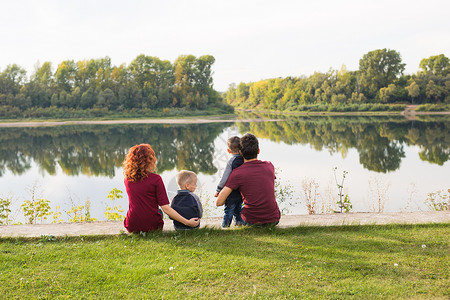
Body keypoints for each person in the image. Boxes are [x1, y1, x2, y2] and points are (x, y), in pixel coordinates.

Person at [123, 144, 199, 233]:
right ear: (149, 160)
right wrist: (187, 222)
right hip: (152, 226)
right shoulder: (156, 179)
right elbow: (166, 208)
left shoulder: (127, 179)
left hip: (132, 225)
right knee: (158, 211)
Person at [216, 133, 281, 226]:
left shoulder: (237, 173)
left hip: (252, 221)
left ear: (241, 153)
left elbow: (219, 202)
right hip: (274, 219)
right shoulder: (269, 166)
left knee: (240, 211)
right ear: (258, 151)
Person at [214, 136, 245, 227]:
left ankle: (225, 227)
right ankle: (239, 224)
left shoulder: (232, 161)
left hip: (230, 192)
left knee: (228, 211)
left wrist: (218, 189)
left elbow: (225, 177)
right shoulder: (245, 160)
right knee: (238, 209)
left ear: (229, 151)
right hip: (241, 191)